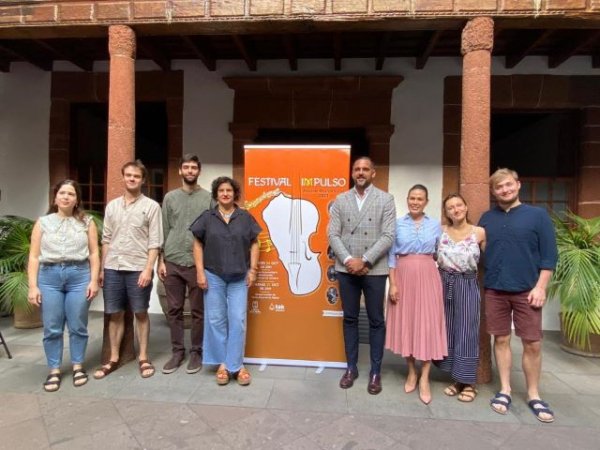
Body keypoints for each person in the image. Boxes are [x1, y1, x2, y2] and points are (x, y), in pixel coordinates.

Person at [479, 168, 557, 423]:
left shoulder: (537, 216)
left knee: (532, 343)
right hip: (495, 288)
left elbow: (549, 256)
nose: (505, 190)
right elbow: (478, 249)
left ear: (518, 185)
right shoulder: (487, 218)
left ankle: (534, 394)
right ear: (493, 192)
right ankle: (505, 389)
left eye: (508, 185)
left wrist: (541, 286)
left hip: (527, 289)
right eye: (499, 187)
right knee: (500, 339)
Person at [328, 157, 396, 395]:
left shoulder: (385, 199)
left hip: (374, 268)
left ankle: (375, 371)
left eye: (365, 169)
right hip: (346, 269)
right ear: (352, 173)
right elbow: (333, 235)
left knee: (377, 320)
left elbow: (388, 236)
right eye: (357, 169)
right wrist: (349, 261)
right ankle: (351, 368)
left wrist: (365, 260)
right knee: (350, 318)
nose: (360, 172)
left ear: (373, 173)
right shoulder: (340, 199)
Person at [27, 179, 100, 392]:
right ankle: (54, 369)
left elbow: (95, 253)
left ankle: (78, 365)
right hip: (49, 277)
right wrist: (33, 286)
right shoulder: (43, 222)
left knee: (78, 324)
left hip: (79, 275)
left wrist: (94, 280)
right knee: (52, 326)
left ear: (77, 200)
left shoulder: (87, 222)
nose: (66, 197)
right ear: (55, 197)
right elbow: (33, 256)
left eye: (71, 194)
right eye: (62, 193)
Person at [94, 160, 163, 380]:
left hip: (137, 268)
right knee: (115, 314)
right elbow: (106, 239)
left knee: (141, 312)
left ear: (143, 180)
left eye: (136, 176)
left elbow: (155, 242)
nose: (132, 179)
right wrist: (103, 269)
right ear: (123, 177)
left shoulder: (151, 206)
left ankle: (143, 356)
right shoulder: (112, 206)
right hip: (113, 266)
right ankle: (113, 358)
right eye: (128, 175)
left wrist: (147, 269)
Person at [190, 176, 261, 386]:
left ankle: (237, 365)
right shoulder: (207, 217)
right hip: (213, 275)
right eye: (221, 190)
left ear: (234, 193)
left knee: (237, 320)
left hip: (239, 277)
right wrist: (200, 272)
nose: (225, 193)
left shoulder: (245, 217)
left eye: (229, 190)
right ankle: (223, 363)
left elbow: (255, 244)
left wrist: (253, 270)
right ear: (216, 194)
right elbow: (197, 244)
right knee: (216, 320)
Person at [386, 184, 446, 405]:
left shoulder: (436, 226)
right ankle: (411, 370)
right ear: (408, 199)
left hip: (429, 277)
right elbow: (391, 257)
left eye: (420, 198)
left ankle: (425, 378)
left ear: (426, 202)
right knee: (408, 323)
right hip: (403, 276)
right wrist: (392, 284)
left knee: (428, 325)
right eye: (412, 198)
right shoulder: (398, 224)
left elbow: (441, 253)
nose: (415, 202)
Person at [158, 154, 212, 375]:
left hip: (197, 262)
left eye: (193, 168)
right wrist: (161, 260)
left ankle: (196, 352)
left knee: (198, 311)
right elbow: (164, 228)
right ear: (180, 171)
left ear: (198, 171)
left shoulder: (209, 198)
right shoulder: (170, 198)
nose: (190, 171)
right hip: (172, 259)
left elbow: (212, 230)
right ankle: (177, 351)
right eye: (186, 167)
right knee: (174, 309)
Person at [435, 193, 486, 403]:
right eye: (450, 207)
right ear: (446, 212)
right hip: (443, 282)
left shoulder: (479, 232)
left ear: (466, 207)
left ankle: (469, 382)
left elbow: (490, 259)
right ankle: (456, 379)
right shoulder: (441, 231)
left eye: (458, 205)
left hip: (467, 283)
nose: (455, 210)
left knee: (467, 331)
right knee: (449, 330)